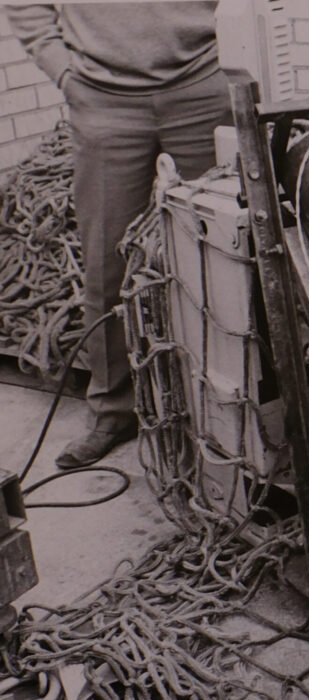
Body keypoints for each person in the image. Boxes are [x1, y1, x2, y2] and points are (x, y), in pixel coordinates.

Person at [7, 3, 232, 469]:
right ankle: (113, 409)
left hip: (201, 87)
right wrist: (64, 73)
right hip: (103, 100)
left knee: (225, 254)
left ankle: (231, 407)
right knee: (107, 262)